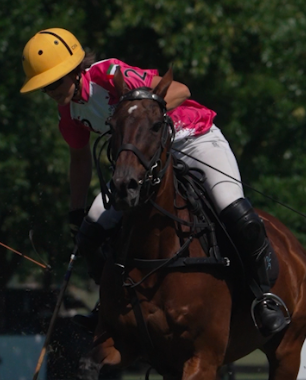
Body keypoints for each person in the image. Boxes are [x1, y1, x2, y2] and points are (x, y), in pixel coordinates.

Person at [19, 28, 289, 335]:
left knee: (235, 211)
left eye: (55, 81)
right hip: (146, 163)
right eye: (44, 87)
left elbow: (181, 90)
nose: (51, 91)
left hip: (193, 137)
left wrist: (142, 112)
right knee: (91, 232)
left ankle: (263, 296)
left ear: (75, 69)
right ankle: (110, 305)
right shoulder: (69, 114)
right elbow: (79, 160)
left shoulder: (109, 74)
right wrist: (75, 210)